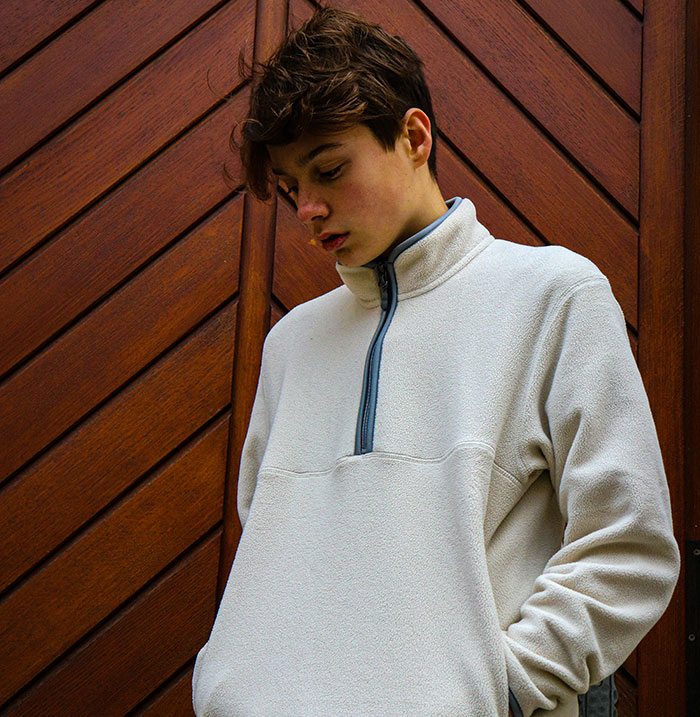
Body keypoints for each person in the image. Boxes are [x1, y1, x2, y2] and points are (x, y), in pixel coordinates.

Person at [191, 7, 680, 716]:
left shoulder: (555, 295)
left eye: (329, 169)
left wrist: (502, 690)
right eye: (294, 186)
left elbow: (629, 542)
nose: (307, 208)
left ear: (415, 136)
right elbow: (266, 547)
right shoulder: (289, 344)